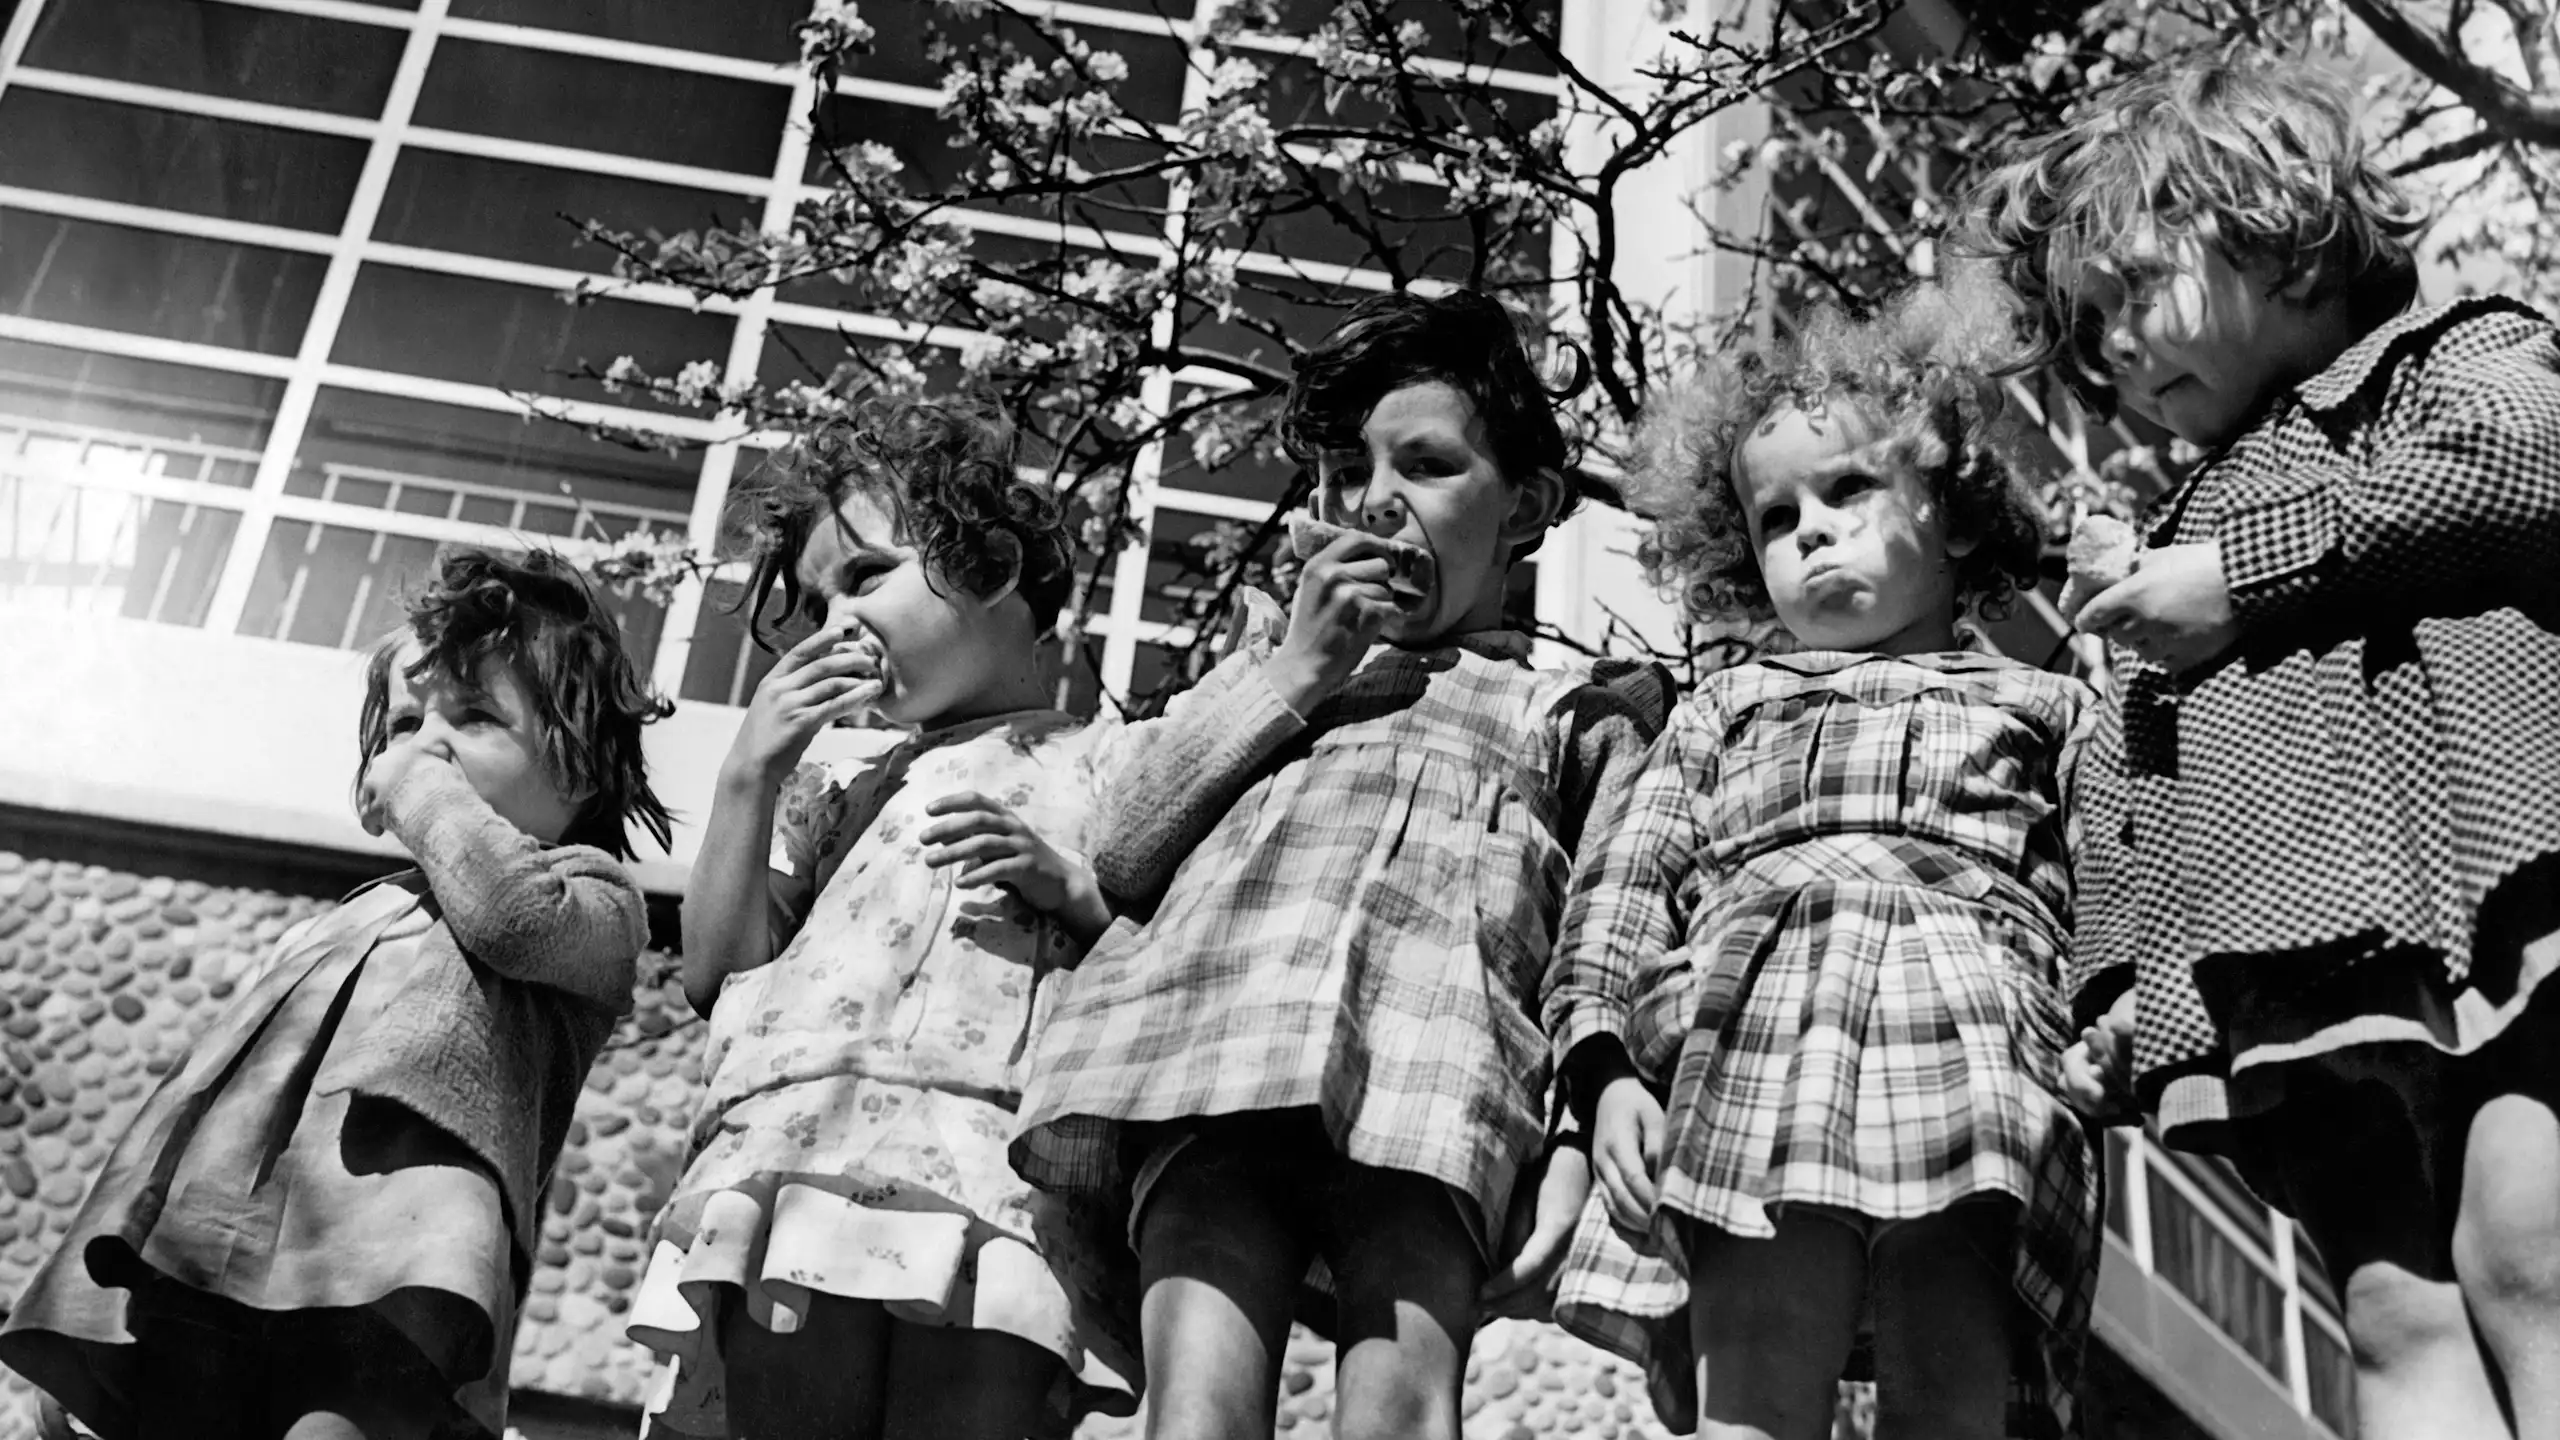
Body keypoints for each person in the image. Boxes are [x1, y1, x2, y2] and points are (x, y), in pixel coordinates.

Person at [1963, 54, 2560, 1440]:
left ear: (2283, 239)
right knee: (2395, 1313)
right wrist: (2120, 994)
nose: (2112, 349)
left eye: (2133, 296)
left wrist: (2247, 572)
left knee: (2525, 1246)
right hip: (2297, 979)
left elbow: (2527, 462)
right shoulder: (2173, 535)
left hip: (2495, 899)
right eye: (2091, 327)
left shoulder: (2450, 354)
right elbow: (2128, 769)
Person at [1009, 289, 1666, 1440]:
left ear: (1528, 506)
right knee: (1194, 1409)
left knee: (1403, 1410)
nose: (1375, 503)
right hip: (1209, 1062)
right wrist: (1294, 675)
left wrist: (1569, 1144)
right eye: (1346, 473)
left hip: (1442, 1081)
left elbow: (1606, 944)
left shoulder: (1573, 713)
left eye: (1425, 465)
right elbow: (1123, 848)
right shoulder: (1280, 666)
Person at [1547, 273, 2102, 1440]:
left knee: (1956, 1370)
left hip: (1975, 1045)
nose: (1813, 531)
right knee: (1749, 1364)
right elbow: (1623, 887)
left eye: (1850, 487)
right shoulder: (1720, 707)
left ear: (1950, 511)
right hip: (1757, 1026)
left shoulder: (2044, 706)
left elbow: (2119, 865)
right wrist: (1598, 1071)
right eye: (1776, 519)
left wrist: (2116, 1012)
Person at [0, 548, 671, 1440]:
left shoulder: (591, 898)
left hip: (396, 1253)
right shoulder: (355, 914)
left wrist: (424, 787)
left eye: (474, 718)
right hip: (226, 1232)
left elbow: (506, 914)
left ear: (578, 769)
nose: (427, 744)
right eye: (403, 725)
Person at [627, 396, 1136, 1440]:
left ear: (995, 564)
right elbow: (714, 975)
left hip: (993, 1170)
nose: (836, 624)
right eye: (816, 604)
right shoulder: (833, 783)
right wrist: (748, 773)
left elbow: (1161, 962)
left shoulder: (1112, 765)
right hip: (799, 1153)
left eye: (865, 576)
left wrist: (1074, 894)